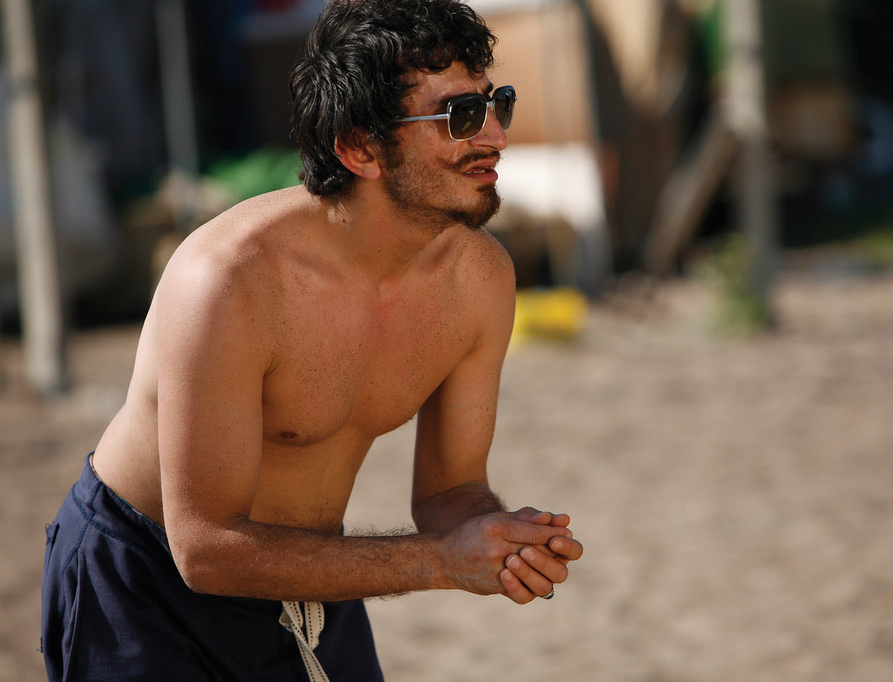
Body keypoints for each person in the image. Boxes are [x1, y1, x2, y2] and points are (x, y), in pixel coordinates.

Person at [40, 1, 584, 679]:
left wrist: (495, 537)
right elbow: (205, 549)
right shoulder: (231, 280)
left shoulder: (479, 277)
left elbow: (450, 490)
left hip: (313, 571)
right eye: (461, 116)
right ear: (360, 149)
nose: (497, 135)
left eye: (497, 103)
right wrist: (440, 561)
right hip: (143, 583)